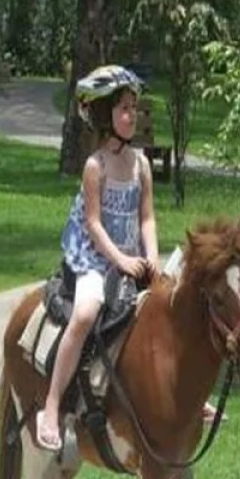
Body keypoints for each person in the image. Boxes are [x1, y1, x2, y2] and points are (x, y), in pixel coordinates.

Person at [37, 64, 159, 452]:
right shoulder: (96, 166)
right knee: (87, 314)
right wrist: (121, 261)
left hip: (132, 255)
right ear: (105, 115)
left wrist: (151, 256)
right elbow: (92, 224)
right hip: (94, 257)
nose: (132, 116)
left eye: (134, 108)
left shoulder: (141, 164)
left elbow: (147, 217)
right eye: (124, 108)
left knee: (169, 304)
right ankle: (53, 404)